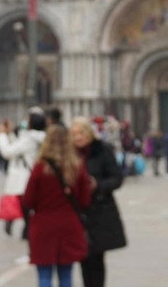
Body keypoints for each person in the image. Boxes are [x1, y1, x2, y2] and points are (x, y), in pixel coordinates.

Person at [21, 125, 91, 287]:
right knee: (66, 276)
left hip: (43, 227)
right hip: (69, 225)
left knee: (44, 276)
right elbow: (85, 200)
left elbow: (28, 201)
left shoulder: (39, 168)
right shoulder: (77, 166)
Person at [70, 117, 127, 287]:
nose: (78, 137)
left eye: (81, 133)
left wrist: (98, 185)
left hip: (100, 210)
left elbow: (117, 179)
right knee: (83, 257)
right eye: (74, 134)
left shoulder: (102, 150)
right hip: (78, 211)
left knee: (96, 258)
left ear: (89, 133)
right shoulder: (69, 153)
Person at [0, 111, 47, 239]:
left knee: (25, 206)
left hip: (23, 177)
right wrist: (10, 133)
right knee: (26, 205)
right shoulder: (36, 137)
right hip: (28, 174)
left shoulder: (29, 139)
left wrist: (1, 135)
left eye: (27, 120)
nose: (24, 122)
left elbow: (8, 151)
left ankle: (27, 231)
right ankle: (25, 229)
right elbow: (18, 148)